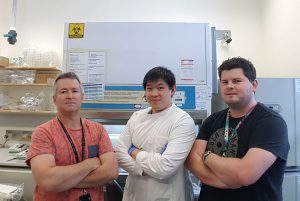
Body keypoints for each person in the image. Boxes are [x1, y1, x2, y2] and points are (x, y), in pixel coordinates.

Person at [186, 57, 290, 201]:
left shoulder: (270, 123)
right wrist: (225, 182)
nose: (229, 86)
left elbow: (245, 174)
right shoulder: (212, 120)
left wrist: (207, 156)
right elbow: (192, 160)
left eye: (236, 81)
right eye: (224, 82)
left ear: (254, 85)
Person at [26, 72, 118, 201]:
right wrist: (89, 164)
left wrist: (63, 182)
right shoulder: (43, 132)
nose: (70, 96)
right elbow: (47, 181)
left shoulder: (98, 130)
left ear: (82, 97)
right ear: (54, 99)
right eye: (63, 92)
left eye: (74, 91)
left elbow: (111, 172)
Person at [115, 66, 196, 201]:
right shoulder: (136, 117)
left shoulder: (182, 121)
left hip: (168, 196)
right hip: (135, 195)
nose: (153, 93)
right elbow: (119, 153)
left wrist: (134, 152)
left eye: (160, 88)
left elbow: (165, 168)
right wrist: (141, 169)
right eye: (149, 88)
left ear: (173, 90)